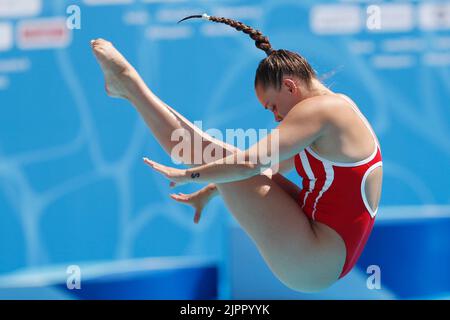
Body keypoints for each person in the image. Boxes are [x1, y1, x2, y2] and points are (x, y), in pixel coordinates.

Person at [91, 13, 383, 292]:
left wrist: (188, 173)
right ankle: (128, 87)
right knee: (215, 153)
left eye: (272, 106)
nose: (277, 118)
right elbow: (270, 170)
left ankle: (128, 85)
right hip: (322, 257)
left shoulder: (318, 110)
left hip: (313, 259)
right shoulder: (338, 106)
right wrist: (211, 189)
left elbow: (250, 164)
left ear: (290, 86)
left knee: (202, 152)